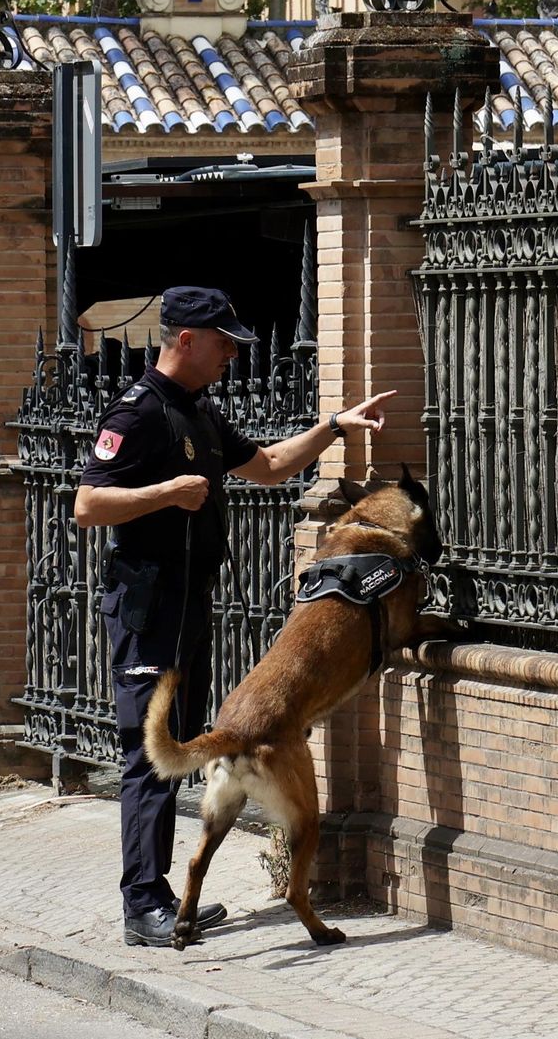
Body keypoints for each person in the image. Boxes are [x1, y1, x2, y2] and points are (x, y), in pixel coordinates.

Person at [73, 285, 396, 947]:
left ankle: (163, 894)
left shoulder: (202, 413)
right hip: (146, 608)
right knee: (149, 754)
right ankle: (142, 904)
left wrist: (335, 425)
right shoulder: (136, 414)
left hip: (190, 608)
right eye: (222, 342)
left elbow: (272, 466)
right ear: (185, 340)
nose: (230, 354)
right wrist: (167, 491)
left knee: (184, 744)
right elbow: (87, 505)